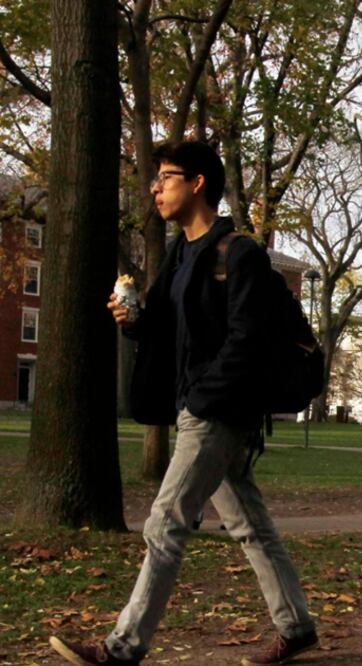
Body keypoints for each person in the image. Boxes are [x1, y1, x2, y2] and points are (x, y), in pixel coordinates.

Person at [50, 141, 317, 666]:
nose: (155, 188)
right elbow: (172, 329)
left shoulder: (238, 251)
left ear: (197, 183)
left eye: (165, 177)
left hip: (217, 410)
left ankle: (122, 648)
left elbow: (245, 337)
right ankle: (297, 626)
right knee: (249, 524)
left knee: (166, 521)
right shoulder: (179, 254)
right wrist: (135, 320)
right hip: (195, 405)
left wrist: (202, 396)